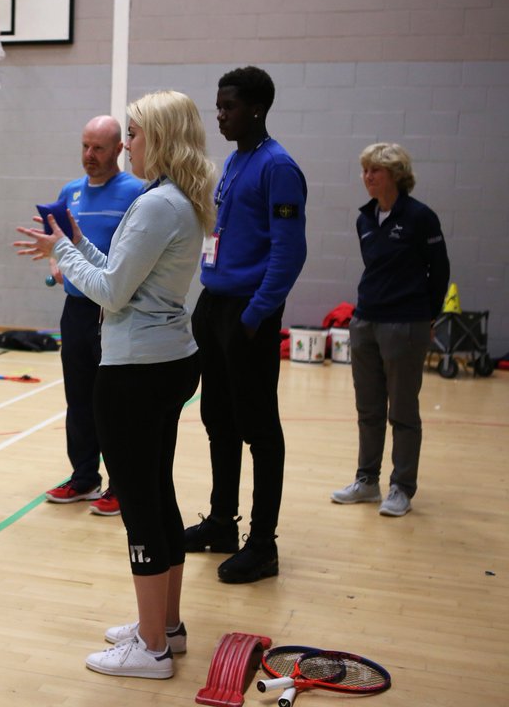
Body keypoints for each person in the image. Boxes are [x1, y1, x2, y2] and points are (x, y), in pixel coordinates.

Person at [14, 91, 214, 679]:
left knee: (142, 506)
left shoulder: (157, 205)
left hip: (137, 370)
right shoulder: (172, 199)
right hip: (166, 360)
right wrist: (75, 246)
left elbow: (108, 291)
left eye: (132, 134)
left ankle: (150, 648)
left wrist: (61, 252)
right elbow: (122, 272)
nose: (125, 146)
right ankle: (166, 628)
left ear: (161, 137)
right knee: (158, 492)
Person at [183, 66, 307, 584]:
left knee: (259, 429)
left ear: (255, 108)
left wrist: (256, 315)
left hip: (247, 315)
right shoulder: (235, 161)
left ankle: (263, 543)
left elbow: (289, 251)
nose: (219, 114)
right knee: (218, 420)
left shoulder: (278, 167)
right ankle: (221, 522)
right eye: (218, 104)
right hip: (215, 306)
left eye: (228, 106)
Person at [331, 143, 449, 517]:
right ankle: (367, 481)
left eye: (375, 171)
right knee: (368, 408)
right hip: (365, 321)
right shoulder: (364, 218)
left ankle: (401, 487)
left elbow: (440, 271)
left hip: (406, 324)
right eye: (365, 170)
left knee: (402, 410)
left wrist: (426, 316)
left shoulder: (420, 218)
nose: (367, 177)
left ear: (395, 175)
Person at [43, 116, 146, 517]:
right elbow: (63, 245)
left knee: (115, 404)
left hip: (115, 312)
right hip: (76, 310)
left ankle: (122, 485)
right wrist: (56, 260)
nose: (89, 156)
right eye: (85, 146)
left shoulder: (138, 193)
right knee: (79, 398)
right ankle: (84, 477)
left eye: (99, 148)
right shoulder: (69, 193)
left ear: (119, 149)